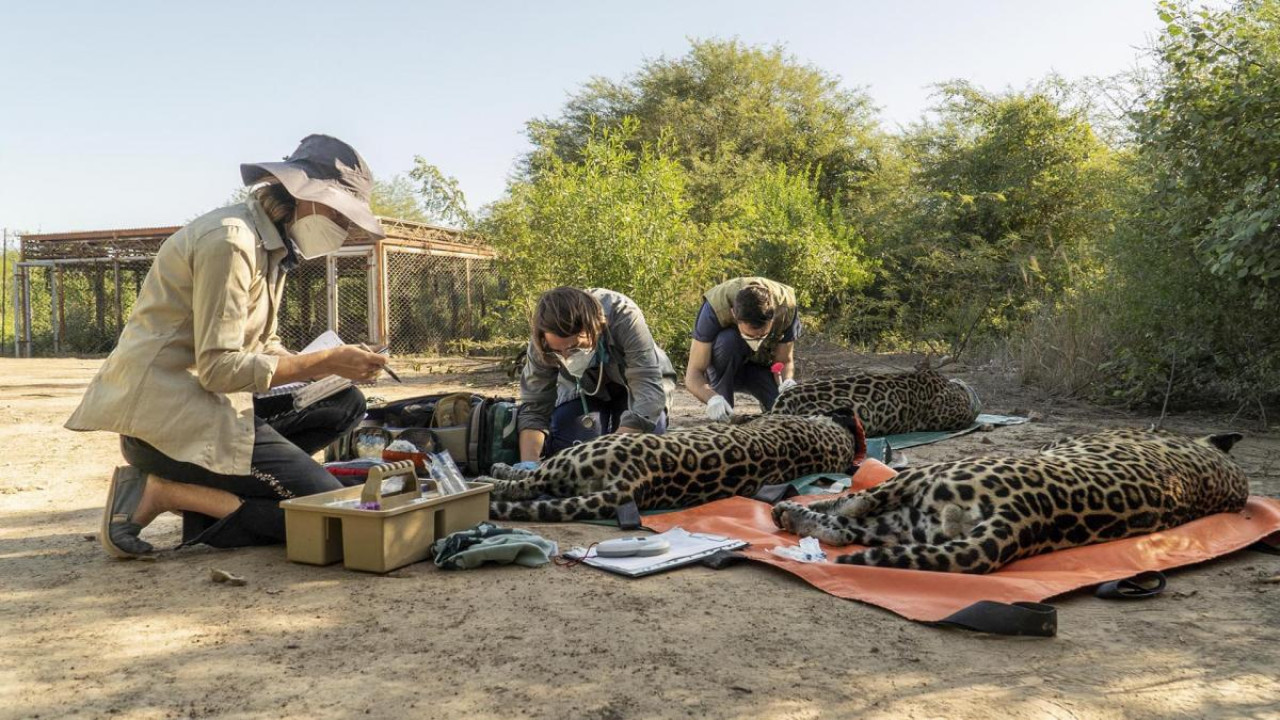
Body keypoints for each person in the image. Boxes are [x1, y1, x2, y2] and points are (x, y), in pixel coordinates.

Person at [66, 134, 390, 558]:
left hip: (216, 407)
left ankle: (237, 483)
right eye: (338, 212)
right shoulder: (232, 241)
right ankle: (166, 492)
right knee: (335, 520)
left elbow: (262, 344)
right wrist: (324, 360)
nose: (342, 227)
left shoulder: (272, 243)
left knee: (343, 400)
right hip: (171, 427)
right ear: (300, 196)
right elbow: (219, 369)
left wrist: (326, 368)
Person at [514, 287, 676, 467]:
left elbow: (647, 389)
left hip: (637, 386)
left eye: (574, 347)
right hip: (583, 389)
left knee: (640, 454)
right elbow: (535, 407)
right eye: (557, 351)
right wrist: (528, 465)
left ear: (595, 328)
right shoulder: (541, 342)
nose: (566, 357)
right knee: (571, 454)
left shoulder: (625, 316)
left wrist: (610, 450)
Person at [684, 276, 800, 421]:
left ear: (773, 316)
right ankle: (724, 408)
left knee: (783, 411)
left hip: (761, 368)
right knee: (728, 341)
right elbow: (693, 373)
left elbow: (784, 361)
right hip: (726, 363)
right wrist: (712, 398)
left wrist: (787, 382)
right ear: (733, 314)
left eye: (762, 335)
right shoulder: (714, 307)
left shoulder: (787, 306)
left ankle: (769, 399)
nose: (756, 341)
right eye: (750, 335)